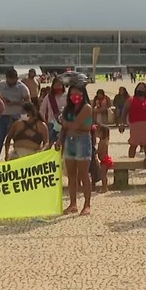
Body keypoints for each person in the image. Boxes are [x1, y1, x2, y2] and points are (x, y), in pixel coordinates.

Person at [57, 83, 94, 215]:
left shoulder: (86, 108)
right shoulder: (69, 108)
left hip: (82, 141)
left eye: (77, 94)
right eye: (72, 94)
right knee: (71, 175)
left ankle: (87, 204)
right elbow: (65, 127)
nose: (74, 97)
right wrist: (59, 141)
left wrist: (64, 122)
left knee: (84, 174)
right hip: (70, 141)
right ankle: (73, 204)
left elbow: (75, 124)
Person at [0, 69, 31, 161]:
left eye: (13, 80)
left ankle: (17, 159)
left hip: (16, 117)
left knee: (18, 140)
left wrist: (15, 103)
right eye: (9, 80)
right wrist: (1, 100)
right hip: (2, 116)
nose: (11, 83)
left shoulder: (22, 88)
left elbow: (28, 103)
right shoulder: (0, 85)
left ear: (16, 78)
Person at [120, 82, 146, 158]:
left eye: (142, 88)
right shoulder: (131, 99)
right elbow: (124, 111)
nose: (140, 89)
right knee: (133, 145)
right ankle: (131, 163)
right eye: (139, 88)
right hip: (135, 125)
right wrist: (122, 123)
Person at [40, 77, 67, 143]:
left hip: (64, 124)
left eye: (59, 85)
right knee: (50, 142)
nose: (57, 87)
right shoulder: (49, 97)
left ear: (62, 86)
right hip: (51, 124)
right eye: (56, 85)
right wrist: (45, 121)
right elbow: (41, 110)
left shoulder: (67, 96)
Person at [96, 126, 113, 193]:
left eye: (98, 132)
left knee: (103, 175)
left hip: (105, 160)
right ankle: (104, 187)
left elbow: (100, 150)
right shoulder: (104, 140)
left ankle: (105, 187)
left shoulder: (103, 141)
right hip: (104, 159)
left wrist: (95, 152)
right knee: (104, 174)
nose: (97, 134)